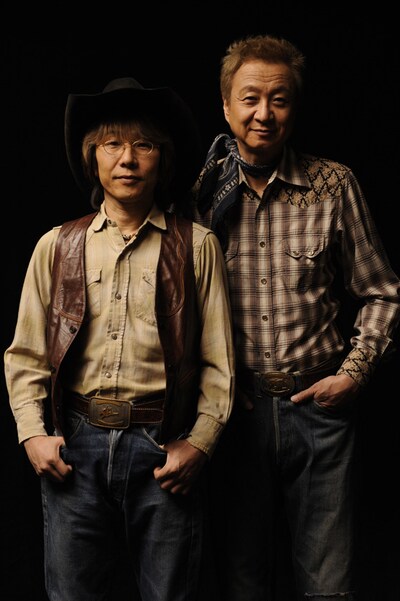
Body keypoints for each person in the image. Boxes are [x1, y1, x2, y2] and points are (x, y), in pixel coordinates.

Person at [4, 77, 235, 601]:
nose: (127, 159)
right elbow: (26, 355)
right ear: (93, 159)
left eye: (143, 145)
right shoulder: (56, 245)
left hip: (161, 447)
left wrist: (199, 443)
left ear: (162, 159)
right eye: (112, 144)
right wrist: (32, 434)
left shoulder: (197, 246)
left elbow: (219, 363)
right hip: (75, 446)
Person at [189, 34, 400, 601]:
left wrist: (353, 374)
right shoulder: (200, 194)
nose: (264, 113)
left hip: (320, 415)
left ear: (294, 107)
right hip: (235, 418)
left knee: (328, 586)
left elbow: (383, 292)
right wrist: (209, 392)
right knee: (242, 583)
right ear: (226, 106)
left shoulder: (334, 185)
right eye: (250, 98)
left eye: (278, 99)